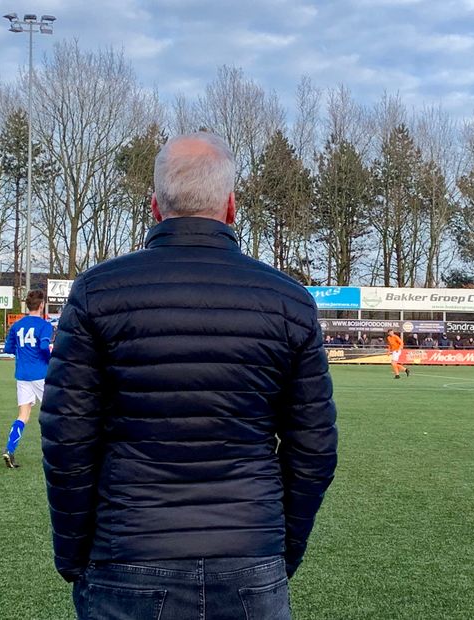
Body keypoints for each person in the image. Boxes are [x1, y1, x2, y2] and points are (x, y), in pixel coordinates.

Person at [41, 132, 337, 619]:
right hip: (249, 553)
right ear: (231, 208)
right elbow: (314, 449)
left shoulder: (97, 292)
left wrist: (74, 554)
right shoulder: (289, 301)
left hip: (128, 552)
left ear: (155, 207)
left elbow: (67, 440)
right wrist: (278, 550)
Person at [0, 291, 54, 469]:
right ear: (41, 306)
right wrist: (50, 356)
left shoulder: (16, 326)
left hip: (22, 375)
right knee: (54, 414)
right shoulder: (45, 326)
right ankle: (56, 454)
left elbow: (8, 348)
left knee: (23, 416)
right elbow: (44, 347)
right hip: (40, 375)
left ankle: (9, 449)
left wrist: (23, 353)